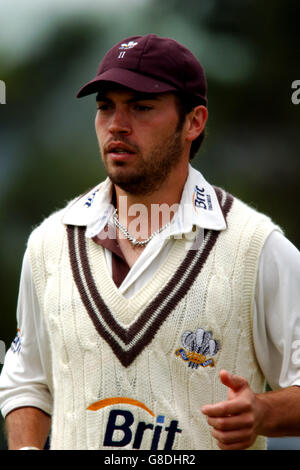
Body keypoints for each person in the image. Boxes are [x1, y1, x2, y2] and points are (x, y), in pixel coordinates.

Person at [0, 34, 300, 451]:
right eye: (106, 107)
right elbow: (26, 382)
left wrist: (263, 413)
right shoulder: (48, 244)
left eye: (141, 107)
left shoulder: (258, 247)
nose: (117, 125)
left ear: (194, 121)